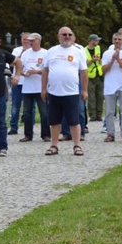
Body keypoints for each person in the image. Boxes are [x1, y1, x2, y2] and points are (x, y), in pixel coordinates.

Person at [42, 26, 88, 156]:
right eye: (64, 34)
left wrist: (84, 90)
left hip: (72, 92)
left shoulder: (78, 51)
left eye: (69, 34)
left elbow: (84, 73)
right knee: (54, 121)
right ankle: (54, 145)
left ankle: (77, 145)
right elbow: (45, 71)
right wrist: (43, 88)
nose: (67, 36)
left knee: (74, 120)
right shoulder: (51, 51)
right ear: (58, 36)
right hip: (54, 92)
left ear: (73, 36)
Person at [101, 32, 122, 142]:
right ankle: (110, 134)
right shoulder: (107, 53)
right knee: (110, 111)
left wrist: (118, 60)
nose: (117, 41)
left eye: (119, 39)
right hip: (110, 85)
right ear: (112, 40)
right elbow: (104, 70)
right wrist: (112, 60)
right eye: (115, 39)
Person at [18, 33, 49, 142]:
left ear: (38, 41)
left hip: (40, 87)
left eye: (32, 40)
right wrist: (23, 73)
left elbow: (48, 70)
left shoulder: (46, 53)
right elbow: (19, 68)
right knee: (27, 113)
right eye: (29, 40)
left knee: (44, 112)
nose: (30, 42)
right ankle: (28, 135)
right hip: (27, 88)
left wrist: (36, 71)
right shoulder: (26, 53)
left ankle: (45, 135)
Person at [9, 33, 30, 135]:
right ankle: (13, 127)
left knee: (29, 107)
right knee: (15, 105)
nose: (26, 41)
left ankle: (29, 126)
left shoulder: (33, 51)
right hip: (17, 82)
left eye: (27, 39)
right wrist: (22, 54)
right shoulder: (16, 50)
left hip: (29, 82)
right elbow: (12, 63)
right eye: (24, 39)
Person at [85, 34, 104, 121]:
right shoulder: (84, 50)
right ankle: (92, 115)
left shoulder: (99, 48)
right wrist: (92, 60)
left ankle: (99, 115)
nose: (98, 42)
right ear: (92, 41)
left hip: (99, 75)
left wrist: (99, 60)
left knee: (100, 96)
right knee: (91, 97)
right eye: (96, 40)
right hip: (90, 76)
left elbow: (103, 60)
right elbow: (84, 64)